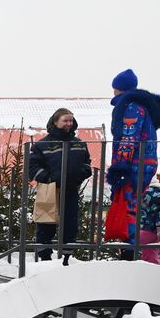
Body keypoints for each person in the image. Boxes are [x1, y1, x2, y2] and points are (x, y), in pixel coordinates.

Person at [104, 69, 160, 251]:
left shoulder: (131, 107)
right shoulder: (144, 107)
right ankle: (129, 245)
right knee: (133, 204)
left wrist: (121, 166)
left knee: (129, 204)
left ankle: (129, 247)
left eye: (114, 88)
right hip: (145, 162)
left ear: (119, 89)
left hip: (134, 163)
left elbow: (128, 137)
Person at [28, 108, 93, 262]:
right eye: (65, 120)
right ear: (55, 121)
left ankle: (67, 257)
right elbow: (32, 168)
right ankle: (44, 258)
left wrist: (80, 174)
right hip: (49, 188)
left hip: (71, 188)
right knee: (45, 222)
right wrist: (49, 177)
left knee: (70, 224)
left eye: (71, 120)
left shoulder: (79, 144)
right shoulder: (43, 144)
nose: (69, 123)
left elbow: (87, 164)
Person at [137, 176, 160, 264]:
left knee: (131, 243)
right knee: (151, 251)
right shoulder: (155, 193)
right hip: (151, 229)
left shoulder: (143, 191)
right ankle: (152, 270)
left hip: (141, 228)